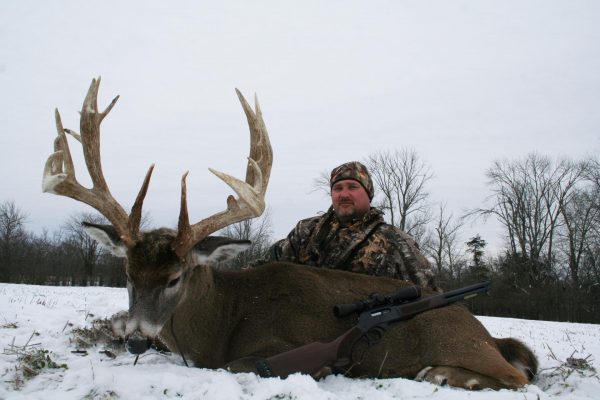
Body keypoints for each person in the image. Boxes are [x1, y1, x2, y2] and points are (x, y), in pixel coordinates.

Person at [253, 161, 438, 291]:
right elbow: (266, 269)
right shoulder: (305, 232)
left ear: (368, 194)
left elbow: (429, 295)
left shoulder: (395, 242)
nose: (344, 194)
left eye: (352, 187)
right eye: (338, 188)